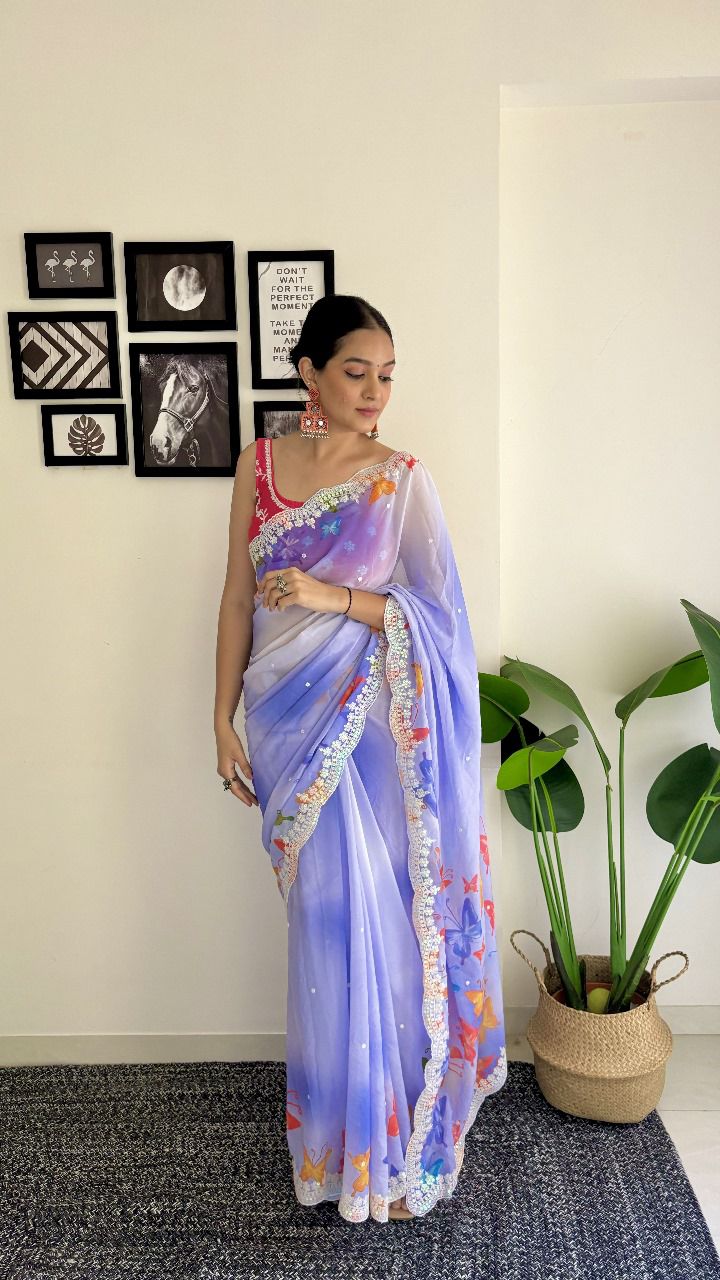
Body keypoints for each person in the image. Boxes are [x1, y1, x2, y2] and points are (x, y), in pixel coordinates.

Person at [214, 295, 507, 1224]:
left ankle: (394, 1145)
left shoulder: (400, 480)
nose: (376, 391)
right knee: (323, 925)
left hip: (368, 729)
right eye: (355, 371)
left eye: (387, 375)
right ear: (308, 371)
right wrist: (219, 716)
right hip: (282, 722)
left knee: (382, 922)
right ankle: (338, 1141)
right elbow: (235, 599)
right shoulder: (257, 465)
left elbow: (441, 623)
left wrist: (328, 596)